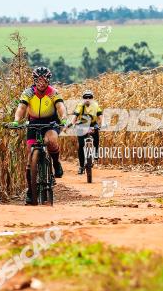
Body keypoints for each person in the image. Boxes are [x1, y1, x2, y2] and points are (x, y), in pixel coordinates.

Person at [10, 66, 66, 204]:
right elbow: (21, 108)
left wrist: (64, 118)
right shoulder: (28, 93)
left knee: (52, 141)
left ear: (48, 80)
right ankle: (30, 191)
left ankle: (56, 163)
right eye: (38, 80)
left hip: (50, 122)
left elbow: (60, 107)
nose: (41, 83)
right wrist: (16, 121)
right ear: (34, 80)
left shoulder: (53, 92)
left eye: (44, 80)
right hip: (33, 123)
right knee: (30, 155)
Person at [66, 89, 103, 174]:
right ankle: (81, 166)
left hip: (93, 124)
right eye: (85, 97)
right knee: (81, 145)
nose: (87, 99)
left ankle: (96, 154)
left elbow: (100, 116)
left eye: (90, 97)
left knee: (96, 140)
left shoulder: (95, 105)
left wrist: (101, 124)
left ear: (92, 98)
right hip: (82, 125)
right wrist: (71, 124)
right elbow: (75, 116)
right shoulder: (80, 105)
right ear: (83, 98)